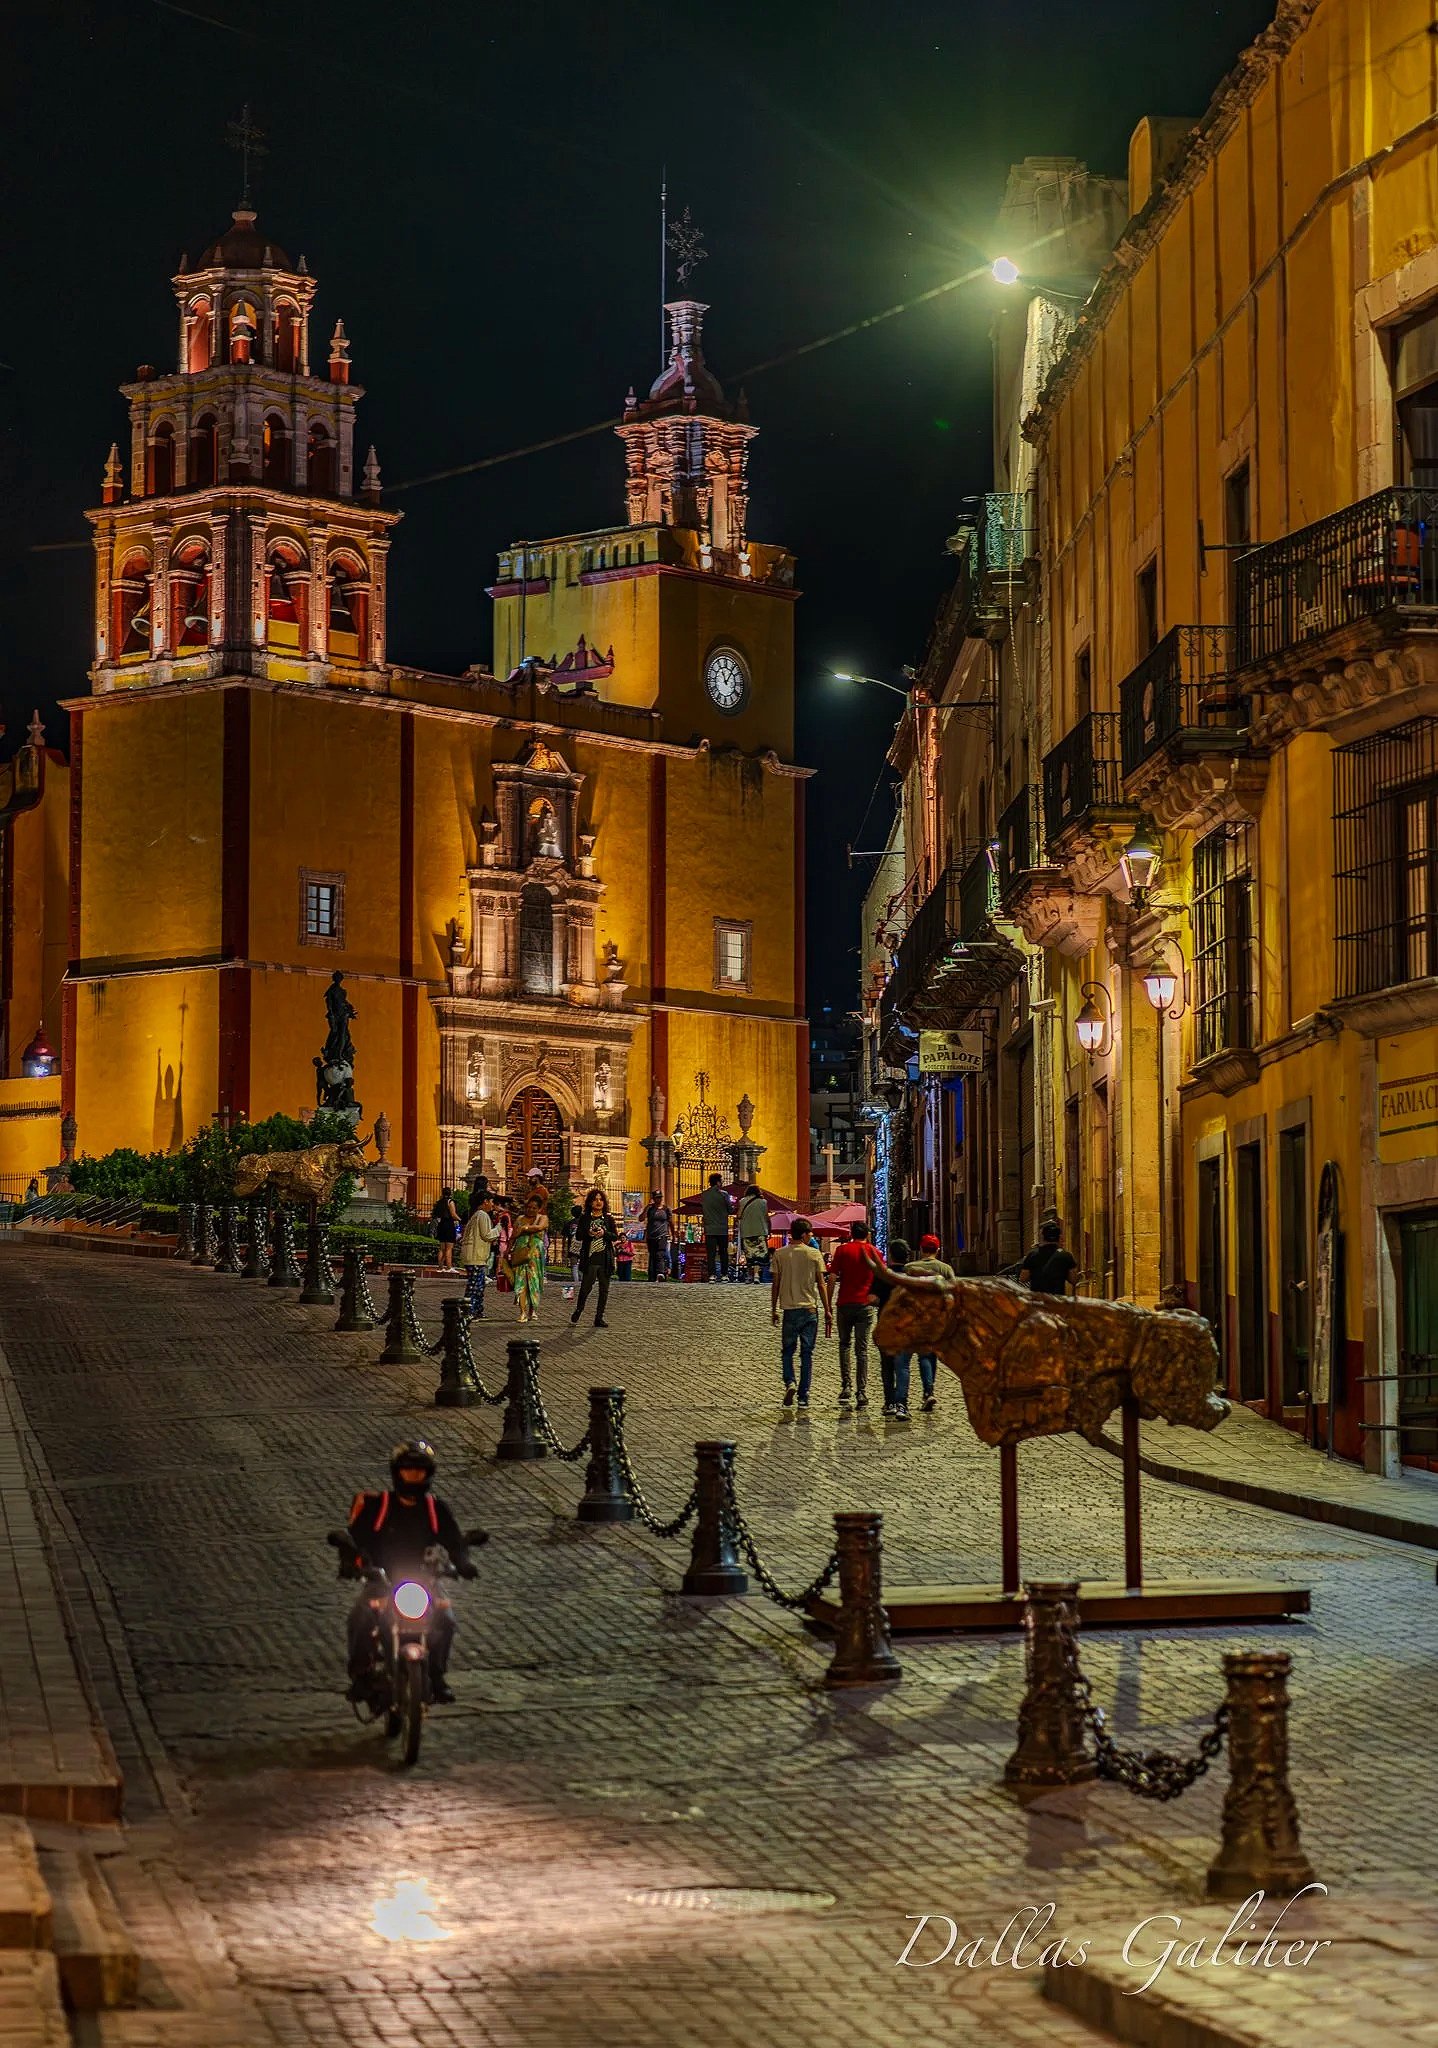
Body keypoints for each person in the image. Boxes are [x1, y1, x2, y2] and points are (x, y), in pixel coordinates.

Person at [343, 1439, 483, 1706]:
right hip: (383, 1578)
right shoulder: (378, 1507)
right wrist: (352, 1561)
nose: (413, 1477)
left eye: (419, 1472)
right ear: (397, 1473)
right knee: (360, 1618)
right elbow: (356, 1539)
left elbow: (454, 1542)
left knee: (446, 1619)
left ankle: (437, 1676)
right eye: (408, 1471)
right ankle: (361, 1675)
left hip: (423, 1580)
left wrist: (463, 1562)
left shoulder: (435, 1509)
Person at [889, 1233, 956, 1416]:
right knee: (926, 1357)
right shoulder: (945, 1269)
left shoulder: (910, 1267)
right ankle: (928, 1392)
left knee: (903, 1363)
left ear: (921, 1249)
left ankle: (901, 1403)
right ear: (937, 1249)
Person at [770, 1218, 832, 1412]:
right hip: (809, 1310)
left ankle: (790, 1382)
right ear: (804, 1234)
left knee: (787, 1351)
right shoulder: (814, 1254)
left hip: (789, 1310)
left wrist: (773, 1308)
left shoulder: (780, 1254)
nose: (811, 1236)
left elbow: (776, 1284)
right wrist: (828, 1309)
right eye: (810, 1233)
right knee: (807, 1354)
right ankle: (804, 1397)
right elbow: (821, 1283)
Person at [828, 1219, 877, 1410]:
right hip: (865, 1305)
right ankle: (861, 1391)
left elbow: (832, 1277)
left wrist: (829, 1304)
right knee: (862, 1350)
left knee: (844, 1345)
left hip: (845, 1303)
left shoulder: (842, 1251)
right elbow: (881, 1276)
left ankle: (846, 1385)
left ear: (851, 1233)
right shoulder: (873, 1251)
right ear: (867, 1234)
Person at [867, 1236, 910, 1416]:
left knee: (887, 1366)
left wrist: (882, 1302)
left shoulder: (883, 1275)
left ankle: (889, 1402)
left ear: (890, 1256)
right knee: (903, 1366)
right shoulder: (911, 1276)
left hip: (885, 1325)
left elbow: (872, 1299)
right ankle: (902, 1405)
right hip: (906, 1326)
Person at [570, 1188, 618, 1328]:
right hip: (590, 1259)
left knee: (604, 1289)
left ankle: (599, 1317)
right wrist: (589, 1233)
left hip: (605, 1259)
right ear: (590, 1202)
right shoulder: (585, 1218)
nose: (598, 1202)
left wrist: (604, 1233)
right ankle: (579, 1309)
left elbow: (614, 1236)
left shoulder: (608, 1219)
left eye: (601, 1199)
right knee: (586, 1287)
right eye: (595, 1199)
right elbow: (578, 1235)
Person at [504, 1191, 549, 1323]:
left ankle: (533, 1310)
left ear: (539, 1208)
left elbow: (540, 1227)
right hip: (520, 1253)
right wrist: (508, 1249)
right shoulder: (519, 1219)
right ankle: (523, 1312)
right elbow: (513, 1237)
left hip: (535, 1255)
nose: (530, 1210)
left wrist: (524, 1229)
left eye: (534, 1208)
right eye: (529, 1207)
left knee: (534, 1282)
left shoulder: (542, 1218)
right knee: (520, 1282)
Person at [458, 1194, 497, 1317]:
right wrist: (499, 1228)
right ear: (485, 1201)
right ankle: (468, 1311)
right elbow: (487, 1235)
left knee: (479, 1286)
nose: (492, 1204)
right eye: (491, 1201)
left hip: (475, 1256)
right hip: (475, 1256)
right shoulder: (482, 1215)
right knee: (474, 1286)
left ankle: (477, 1310)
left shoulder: (477, 1215)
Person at [1019, 1218, 1078, 1297]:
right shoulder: (1066, 1255)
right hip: (1057, 1301)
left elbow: (1023, 1278)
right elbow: (1073, 1279)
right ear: (1059, 1237)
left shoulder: (1032, 1254)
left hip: (1037, 1300)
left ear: (1042, 1236)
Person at [700, 1173, 733, 1281]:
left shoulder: (704, 1195)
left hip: (709, 1229)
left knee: (711, 1253)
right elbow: (730, 1209)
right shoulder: (724, 1194)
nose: (722, 1183)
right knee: (723, 1252)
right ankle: (724, 1274)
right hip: (722, 1228)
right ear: (718, 1182)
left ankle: (712, 1275)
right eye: (721, 1181)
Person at [737, 1185, 769, 1281]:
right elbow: (766, 1217)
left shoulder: (742, 1201)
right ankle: (756, 1275)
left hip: (746, 1231)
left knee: (749, 1255)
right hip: (760, 1231)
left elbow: (738, 1215)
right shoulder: (763, 1202)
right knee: (758, 1255)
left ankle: (749, 1275)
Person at [642, 1191, 673, 1282]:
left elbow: (671, 1222)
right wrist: (647, 1207)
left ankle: (660, 1273)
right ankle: (651, 1276)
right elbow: (641, 1218)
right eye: (656, 1198)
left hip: (662, 1235)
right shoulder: (650, 1209)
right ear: (653, 1198)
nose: (658, 1199)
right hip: (651, 1236)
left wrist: (673, 1234)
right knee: (652, 1255)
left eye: (660, 1197)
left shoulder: (666, 1209)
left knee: (660, 1254)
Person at [431, 1188, 461, 1270]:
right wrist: (460, 1220)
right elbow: (453, 1214)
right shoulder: (450, 1202)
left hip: (441, 1225)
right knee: (449, 1248)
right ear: (450, 1193)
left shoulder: (439, 1202)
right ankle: (449, 1266)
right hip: (449, 1224)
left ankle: (440, 1267)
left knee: (442, 1248)